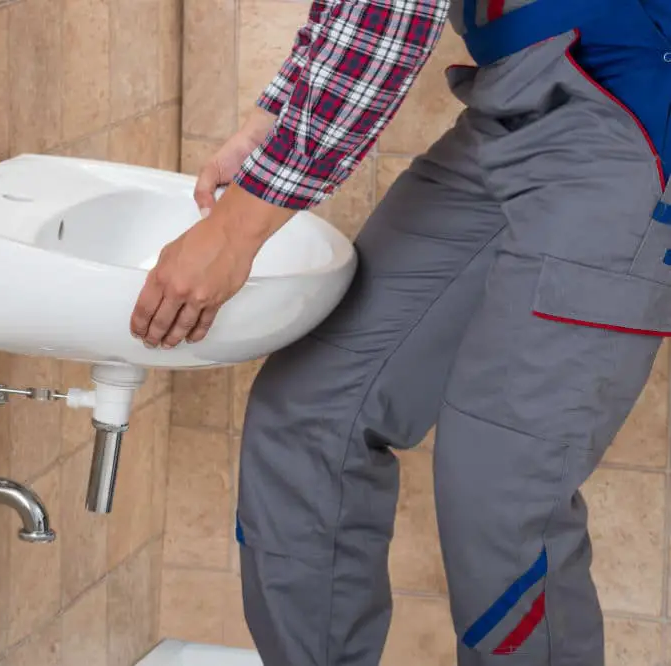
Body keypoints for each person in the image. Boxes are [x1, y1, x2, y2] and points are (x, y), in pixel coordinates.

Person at [130, 0, 671, 664]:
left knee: (503, 492)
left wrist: (235, 230)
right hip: (520, 100)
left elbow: (390, 20)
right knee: (311, 414)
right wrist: (268, 119)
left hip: (638, 117)